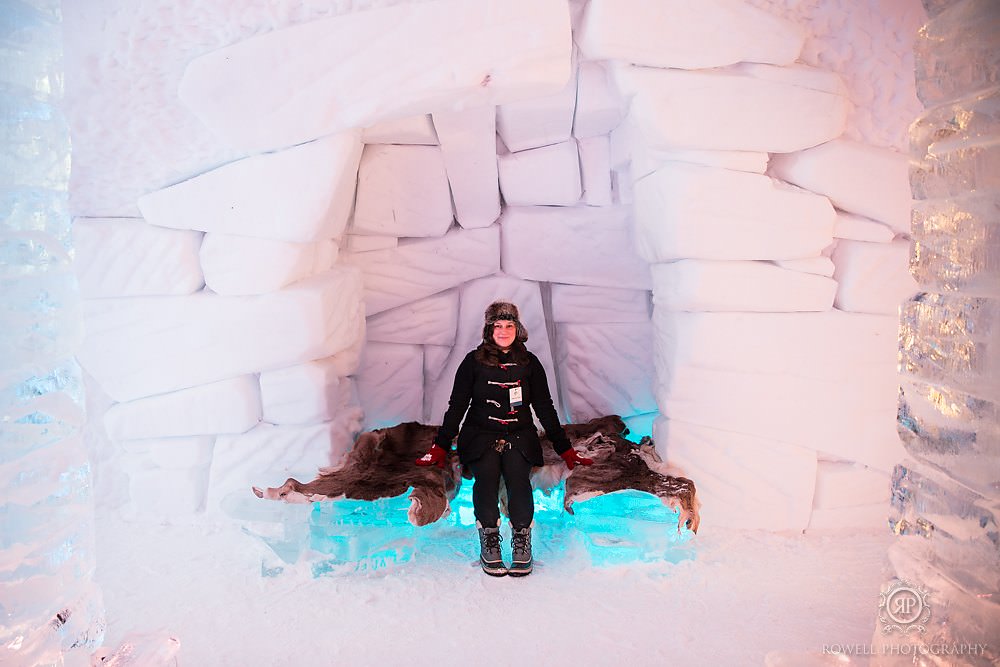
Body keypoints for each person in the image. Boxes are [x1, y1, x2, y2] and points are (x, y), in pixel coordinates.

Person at [416, 300, 593, 577]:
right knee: (486, 475)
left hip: (519, 435)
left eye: (509, 325)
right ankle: (489, 539)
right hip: (480, 434)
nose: (503, 330)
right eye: (497, 325)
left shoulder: (530, 363)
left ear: (517, 328)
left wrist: (565, 449)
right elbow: (457, 406)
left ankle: (522, 539)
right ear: (489, 330)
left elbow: (544, 407)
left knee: (517, 476)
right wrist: (440, 445)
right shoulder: (472, 362)